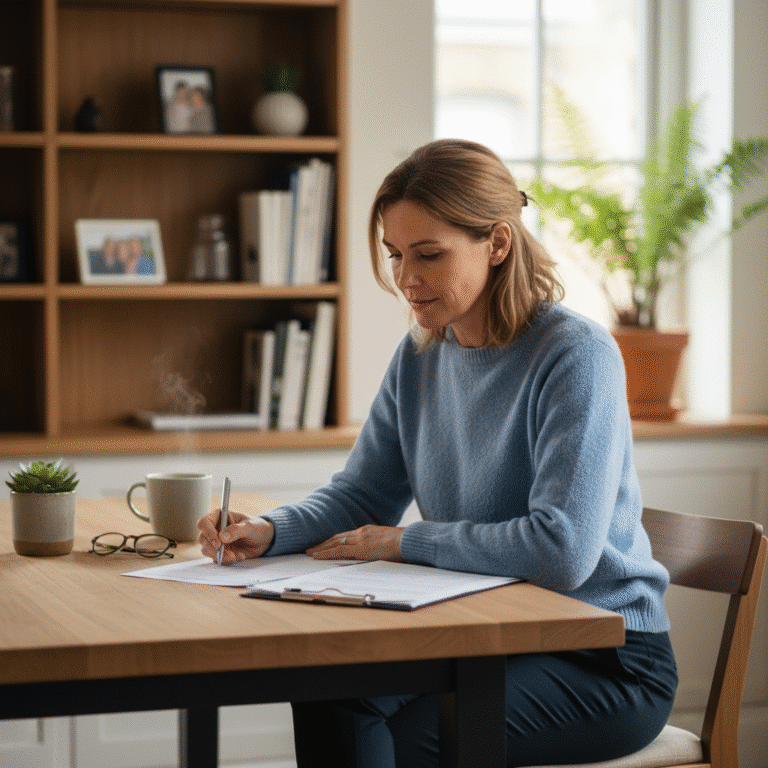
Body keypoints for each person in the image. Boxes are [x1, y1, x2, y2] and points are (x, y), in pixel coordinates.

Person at [198, 139, 678, 767]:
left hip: (604, 660)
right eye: (396, 254)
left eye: (429, 254)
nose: (406, 278)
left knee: (394, 731)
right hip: (485, 635)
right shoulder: (422, 355)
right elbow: (364, 495)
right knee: (328, 687)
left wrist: (404, 541)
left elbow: (562, 552)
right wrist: (270, 529)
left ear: (498, 244)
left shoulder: (574, 355)